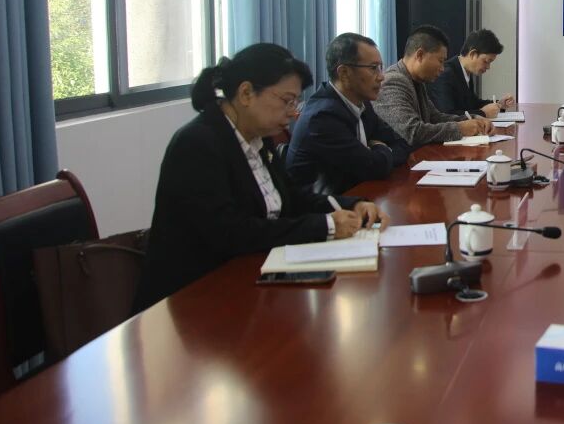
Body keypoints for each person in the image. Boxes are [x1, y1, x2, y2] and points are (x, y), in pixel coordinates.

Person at [135, 43, 387, 310]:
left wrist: (352, 204)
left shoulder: (258, 137)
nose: (293, 112)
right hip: (192, 299)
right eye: (286, 100)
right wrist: (325, 226)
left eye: (295, 102)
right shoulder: (197, 143)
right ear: (246, 93)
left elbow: (292, 198)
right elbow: (230, 232)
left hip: (248, 278)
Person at [285, 33, 412, 195]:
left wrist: (378, 155)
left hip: (358, 196)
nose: (381, 76)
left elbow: (402, 144)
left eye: (380, 67)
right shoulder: (323, 116)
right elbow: (373, 168)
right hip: (323, 206)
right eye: (373, 68)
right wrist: (381, 147)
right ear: (344, 73)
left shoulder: (362, 103)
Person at [374, 25, 494, 147]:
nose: (442, 68)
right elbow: (413, 132)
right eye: (440, 61)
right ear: (420, 55)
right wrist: (460, 128)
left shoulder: (417, 81)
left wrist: (473, 119)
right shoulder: (394, 81)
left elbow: (435, 117)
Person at [429, 28, 516, 118]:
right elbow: (446, 115)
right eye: (486, 61)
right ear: (472, 54)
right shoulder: (446, 74)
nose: (488, 67)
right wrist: (483, 113)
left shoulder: (465, 71)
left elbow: (473, 104)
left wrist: (499, 104)